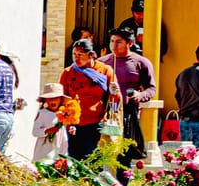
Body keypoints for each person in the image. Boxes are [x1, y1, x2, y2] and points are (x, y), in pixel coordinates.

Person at [59, 38, 118, 161]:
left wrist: (112, 114)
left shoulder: (105, 70)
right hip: (75, 123)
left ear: (91, 55)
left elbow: (113, 97)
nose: (76, 58)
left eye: (80, 55)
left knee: (93, 159)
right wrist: (66, 121)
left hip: (97, 122)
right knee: (75, 159)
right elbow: (62, 98)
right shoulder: (68, 73)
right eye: (74, 54)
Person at [104, 28, 155, 165]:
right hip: (105, 114)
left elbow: (151, 89)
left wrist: (140, 95)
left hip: (127, 115)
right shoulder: (102, 63)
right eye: (112, 41)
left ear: (130, 43)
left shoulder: (141, 63)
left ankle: (122, 185)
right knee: (102, 153)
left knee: (123, 157)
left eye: (119, 42)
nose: (114, 46)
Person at [30, 83, 69, 163]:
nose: (53, 100)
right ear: (45, 100)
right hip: (45, 148)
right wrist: (47, 131)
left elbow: (64, 130)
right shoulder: (42, 113)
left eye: (56, 98)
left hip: (60, 148)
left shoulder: (64, 113)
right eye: (50, 98)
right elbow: (35, 131)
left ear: (61, 99)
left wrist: (71, 128)